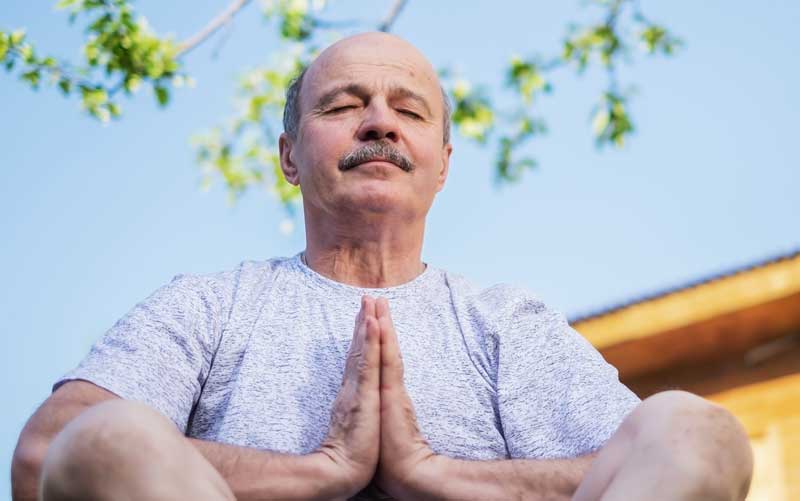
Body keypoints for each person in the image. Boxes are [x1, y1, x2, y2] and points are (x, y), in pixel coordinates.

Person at [12, 32, 753, 501]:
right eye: (343, 104)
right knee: (103, 437)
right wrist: (321, 471)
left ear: (441, 167)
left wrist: (434, 473)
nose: (378, 121)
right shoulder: (208, 306)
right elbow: (46, 454)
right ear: (289, 156)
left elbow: (653, 469)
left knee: (699, 430)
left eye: (409, 108)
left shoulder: (505, 322)